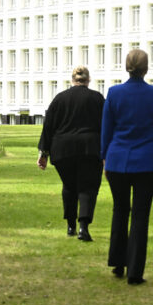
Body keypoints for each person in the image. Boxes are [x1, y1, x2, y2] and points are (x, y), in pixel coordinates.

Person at [101, 49, 153, 285]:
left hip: (118, 158)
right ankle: (135, 271)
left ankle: (118, 262)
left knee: (120, 210)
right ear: (146, 68)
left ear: (126, 66)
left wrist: (104, 158)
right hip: (147, 160)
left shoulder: (114, 93)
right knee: (141, 215)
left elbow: (106, 129)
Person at [37, 66, 106, 241]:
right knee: (88, 187)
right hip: (90, 148)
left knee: (69, 186)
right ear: (88, 80)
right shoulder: (97, 98)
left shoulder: (60, 99)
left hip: (63, 149)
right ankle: (83, 227)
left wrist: (43, 153)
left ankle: (70, 226)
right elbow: (107, 126)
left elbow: (48, 127)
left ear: (72, 80)